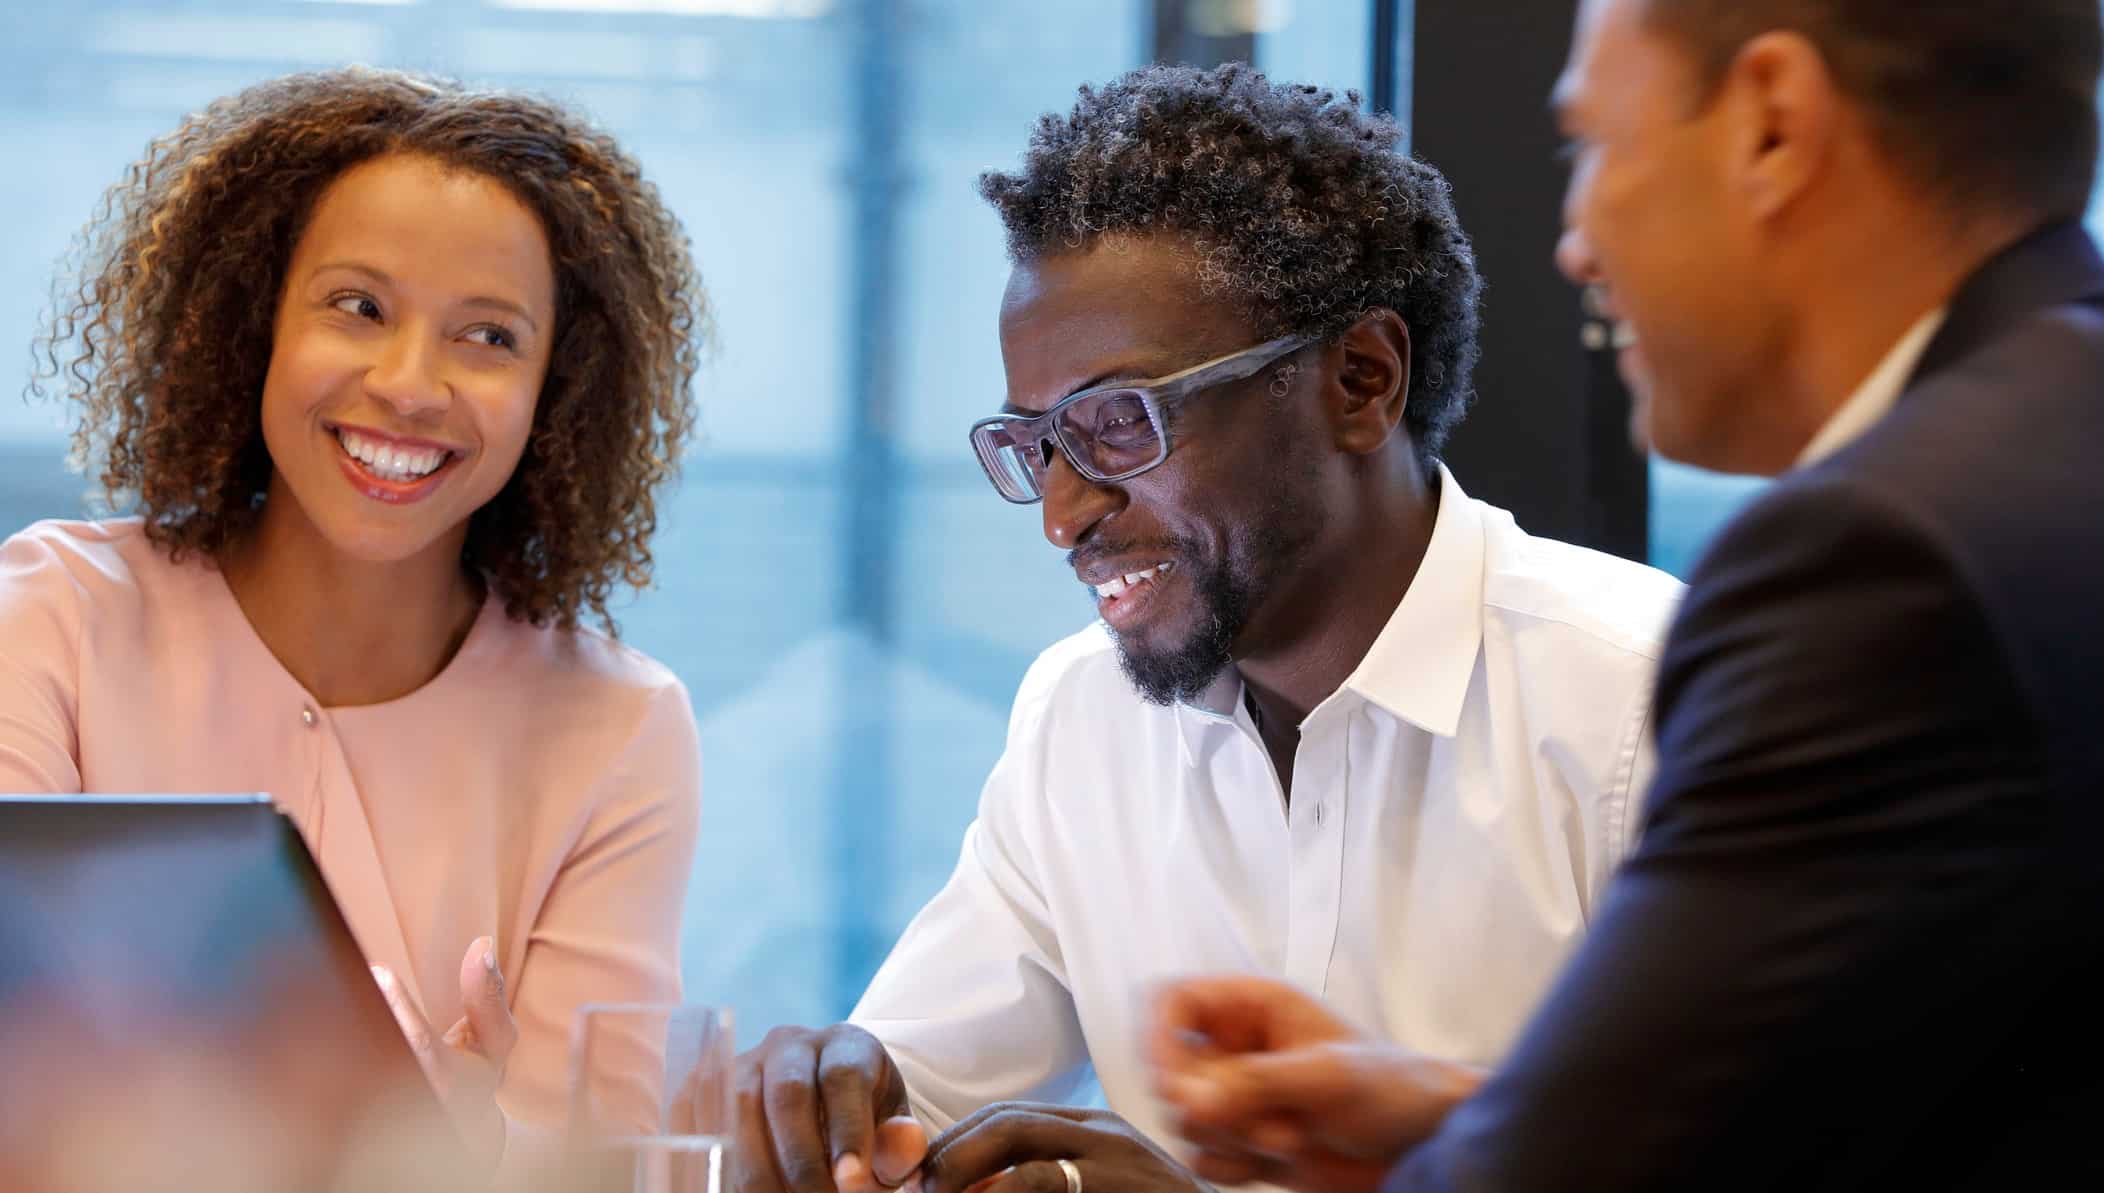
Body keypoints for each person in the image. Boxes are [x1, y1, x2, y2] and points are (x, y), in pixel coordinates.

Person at [1149, 2, 2104, 1190]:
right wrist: (1464, 1117)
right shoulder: (2072, 436)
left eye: (1593, 146)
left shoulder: (1883, 560)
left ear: (1773, 126)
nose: (1575, 242)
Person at [727, 64, 1684, 1193]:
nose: (1063, 514)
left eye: (1118, 422)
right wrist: (833, 1104)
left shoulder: (1650, 704)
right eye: (1037, 444)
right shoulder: (1081, 713)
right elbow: (919, 1094)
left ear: (1360, 380)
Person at [0, 67, 708, 1172]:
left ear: (558, 391)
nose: (410, 384)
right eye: (358, 306)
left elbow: (601, 1162)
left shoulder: (620, 728)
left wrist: (477, 1145)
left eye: (489, 336)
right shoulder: (50, 618)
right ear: (252, 324)